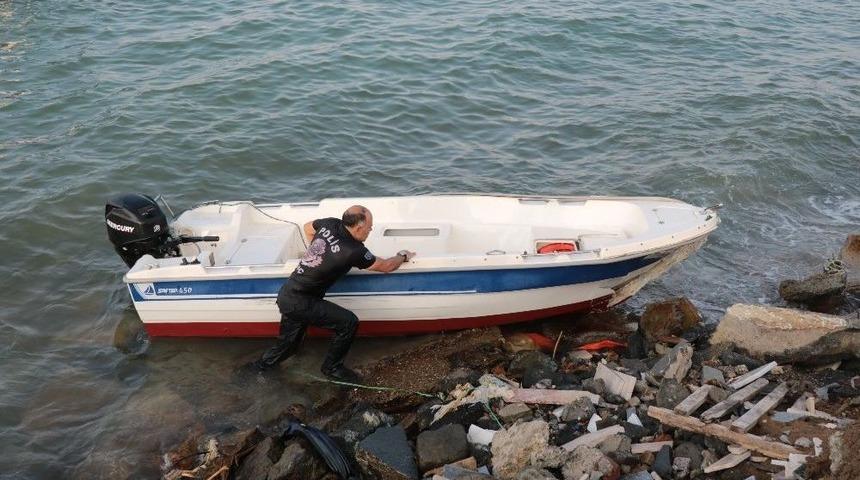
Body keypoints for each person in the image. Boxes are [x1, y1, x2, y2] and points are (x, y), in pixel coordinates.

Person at [252, 205, 415, 383]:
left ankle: (254, 370)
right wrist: (402, 255)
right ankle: (332, 368)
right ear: (359, 227)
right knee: (348, 323)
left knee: (289, 347)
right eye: (369, 227)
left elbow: (307, 227)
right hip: (301, 301)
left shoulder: (330, 223)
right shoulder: (354, 250)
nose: (370, 231)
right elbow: (386, 266)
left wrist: (317, 253)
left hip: (288, 294)